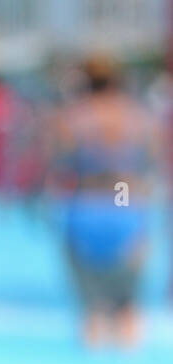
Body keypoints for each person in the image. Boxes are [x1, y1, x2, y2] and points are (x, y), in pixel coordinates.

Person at [50, 55, 163, 348]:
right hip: (127, 208)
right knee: (128, 305)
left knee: (92, 309)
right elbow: (152, 163)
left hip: (86, 205)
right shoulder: (138, 116)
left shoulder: (71, 116)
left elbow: (58, 165)